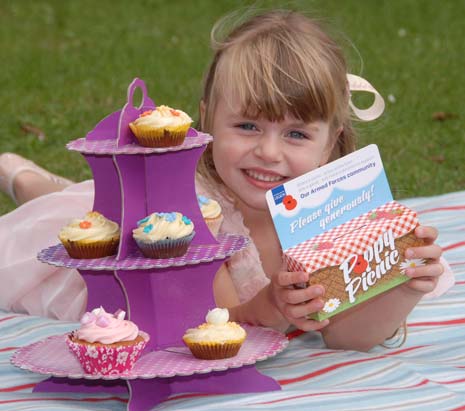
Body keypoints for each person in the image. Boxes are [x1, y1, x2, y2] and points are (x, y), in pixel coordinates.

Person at [0, 10, 453, 351]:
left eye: (296, 134)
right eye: (248, 127)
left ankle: (36, 180)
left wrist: (402, 289)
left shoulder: (336, 207)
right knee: (86, 217)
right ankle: (24, 177)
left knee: (87, 202)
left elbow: (348, 338)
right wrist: (272, 308)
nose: (269, 152)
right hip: (140, 239)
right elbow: (208, 324)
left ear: (332, 140)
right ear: (206, 118)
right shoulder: (193, 215)